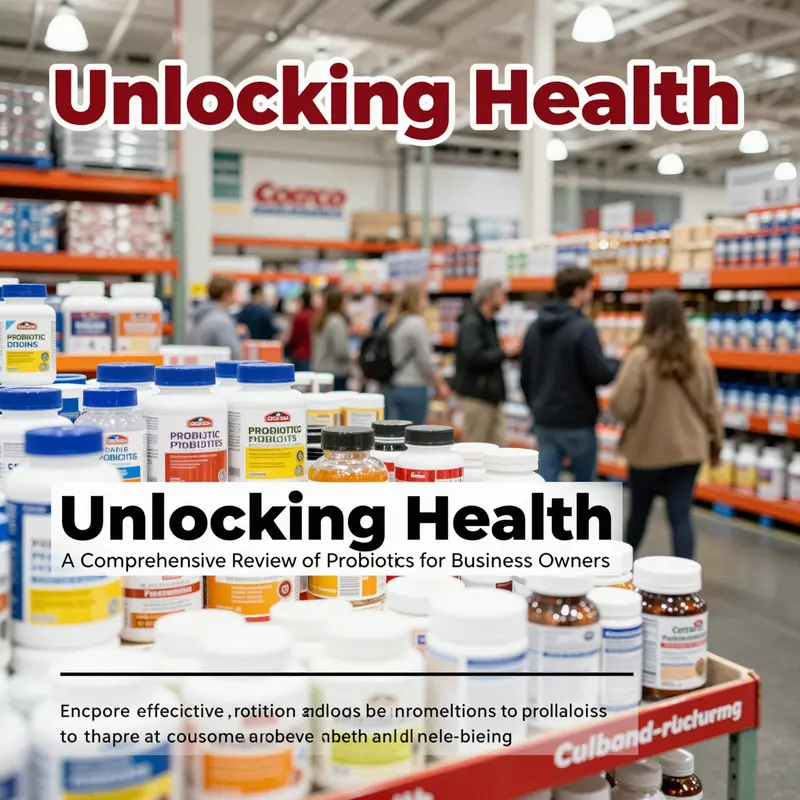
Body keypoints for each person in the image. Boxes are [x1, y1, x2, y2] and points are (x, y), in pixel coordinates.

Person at [608, 290, 723, 560]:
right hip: (688, 449)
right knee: (681, 515)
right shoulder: (698, 356)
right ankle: (684, 583)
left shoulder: (640, 356)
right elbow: (711, 407)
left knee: (638, 513)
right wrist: (716, 445)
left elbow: (621, 406)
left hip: (647, 449)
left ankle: (620, 571)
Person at [520, 266, 618, 482]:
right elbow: (601, 374)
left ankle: (544, 516)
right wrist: (619, 364)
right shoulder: (583, 329)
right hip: (576, 420)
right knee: (583, 486)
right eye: (589, 290)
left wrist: (535, 405)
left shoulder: (534, 327)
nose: (590, 295)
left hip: (544, 418)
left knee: (545, 481)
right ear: (578, 291)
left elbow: (524, 375)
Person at [452, 279, 518, 445]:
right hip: (477, 397)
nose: (505, 299)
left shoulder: (488, 322)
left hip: (491, 396)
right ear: (489, 297)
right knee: (475, 447)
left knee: (499, 447)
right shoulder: (472, 324)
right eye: (501, 294)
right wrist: (504, 352)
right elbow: (472, 358)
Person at [386, 285, 448, 425]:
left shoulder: (396, 321)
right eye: (424, 297)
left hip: (397, 384)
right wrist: (440, 384)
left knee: (399, 432)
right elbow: (425, 360)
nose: (427, 302)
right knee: (413, 434)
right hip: (414, 388)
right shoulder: (416, 323)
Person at [189, 275, 242, 358]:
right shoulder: (221, 321)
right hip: (215, 369)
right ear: (226, 295)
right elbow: (235, 356)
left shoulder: (203, 315)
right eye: (234, 292)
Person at [312, 288, 351, 390]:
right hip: (335, 371)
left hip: (320, 368)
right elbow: (341, 350)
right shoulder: (337, 321)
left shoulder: (322, 320)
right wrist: (351, 356)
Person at [285, 288, 315, 372]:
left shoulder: (299, 316)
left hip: (300, 354)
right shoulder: (316, 315)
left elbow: (294, 337)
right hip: (315, 354)